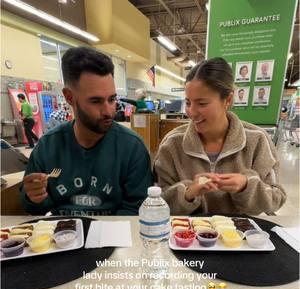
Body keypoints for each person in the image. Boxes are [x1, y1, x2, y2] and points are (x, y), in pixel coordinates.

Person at [21, 46, 153, 216]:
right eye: (96, 101)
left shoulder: (132, 147)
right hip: (62, 236)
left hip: (115, 238)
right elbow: (34, 208)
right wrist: (34, 197)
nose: (108, 111)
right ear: (69, 97)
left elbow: (137, 210)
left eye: (112, 99)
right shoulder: (48, 146)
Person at [154, 57, 286, 215]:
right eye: (188, 103)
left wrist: (246, 185)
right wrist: (187, 193)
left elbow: (276, 199)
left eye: (202, 104)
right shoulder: (172, 144)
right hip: (186, 236)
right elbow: (158, 202)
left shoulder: (257, 140)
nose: (191, 112)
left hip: (240, 236)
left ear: (228, 100)